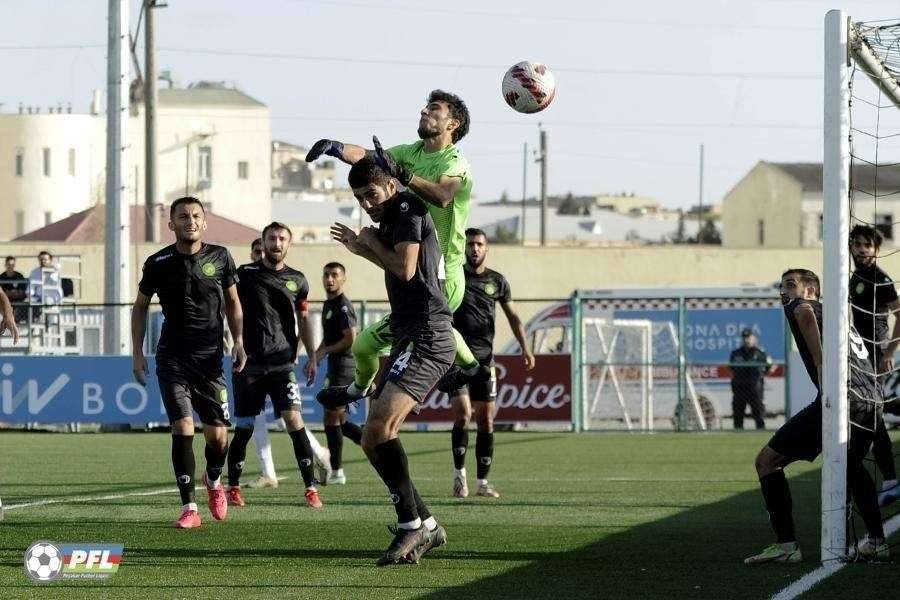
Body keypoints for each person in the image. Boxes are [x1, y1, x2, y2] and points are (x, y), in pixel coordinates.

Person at [306, 89, 485, 407]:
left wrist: (406, 176)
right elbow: (369, 159)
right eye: (425, 107)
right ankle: (470, 369)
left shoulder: (455, 162)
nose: (424, 111)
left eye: (434, 108)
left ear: (453, 123)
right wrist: (335, 147)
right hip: (419, 268)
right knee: (365, 345)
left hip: (444, 273)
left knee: (398, 345)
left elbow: (443, 196)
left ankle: (391, 394)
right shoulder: (411, 151)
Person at [330, 158, 453, 565]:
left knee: (380, 428)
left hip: (428, 334)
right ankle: (427, 524)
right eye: (359, 198)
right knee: (372, 438)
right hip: (409, 335)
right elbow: (401, 266)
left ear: (390, 186)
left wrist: (369, 243)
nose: (366, 204)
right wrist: (362, 248)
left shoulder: (407, 208)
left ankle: (410, 525)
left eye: (371, 194)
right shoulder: (392, 217)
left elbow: (404, 268)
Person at [744, 268, 887, 564]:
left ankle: (786, 547)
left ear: (811, 291)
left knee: (767, 461)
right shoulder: (838, 316)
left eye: (790, 285)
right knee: (851, 467)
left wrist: (822, 367)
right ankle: (877, 541)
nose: (783, 292)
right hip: (872, 399)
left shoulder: (800, 305)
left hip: (842, 397)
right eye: (782, 286)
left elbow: (805, 313)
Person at [131, 197, 247, 529]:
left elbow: (233, 302)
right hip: (172, 358)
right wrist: (137, 352)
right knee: (182, 426)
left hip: (210, 361)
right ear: (171, 224)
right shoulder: (158, 262)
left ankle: (213, 479)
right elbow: (140, 306)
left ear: (204, 223)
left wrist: (239, 341)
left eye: (196, 215)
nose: (190, 221)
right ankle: (189, 508)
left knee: (218, 437)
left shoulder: (221, 257)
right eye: (183, 216)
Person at [225, 223, 325, 509]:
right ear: (264, 242)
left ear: (289, 244)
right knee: (245, 427)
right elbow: (229, 306)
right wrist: (235, 341)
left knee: (294, 421)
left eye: (282, 239)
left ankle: (310, 489)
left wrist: (310, 356)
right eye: (272, 238)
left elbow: (303, 320)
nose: (277, 243)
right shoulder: (245, 274)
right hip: (249, 364)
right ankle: (233, 488)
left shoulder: (298, 280)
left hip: (282, 365)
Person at [443, 228, 535, 499]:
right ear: (464, 247)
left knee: (486, 420)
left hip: (485, 361)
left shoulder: (497, 281)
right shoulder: (454, 277)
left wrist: (525, 348)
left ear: (486, 248)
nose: (474, 249)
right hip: (456, 359)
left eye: (479, 244)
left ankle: (483, 482)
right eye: (470, 244)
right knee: (463, 414)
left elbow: (514, 317)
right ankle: (459, 477)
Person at [848, 225, 900, 506]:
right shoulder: (855, 275)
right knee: (866, 412)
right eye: (857, 244)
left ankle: (890, 479)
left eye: (866, 245)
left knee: (873, 412)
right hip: (859, 352)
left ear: (876, 250)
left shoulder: (880, 278)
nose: (861, 249)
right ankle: (884, 478)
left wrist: (889, 351)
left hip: (875, 351)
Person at [314, 262, 363, 485]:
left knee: (332, 416)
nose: (330, 279)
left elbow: (350, 338)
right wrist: (317, 354)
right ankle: (373, 441)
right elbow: (330, 338)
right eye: (326, 275)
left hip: (345, 366)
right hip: (335, 365)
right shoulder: (329, 304)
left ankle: (337, 472)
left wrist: (325, 351)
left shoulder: (343, 306)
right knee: (338, 420)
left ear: (343, 279)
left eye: (334, 275)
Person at [729, 329, 772, 430]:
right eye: (744, 338)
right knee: (738, 415)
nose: (746, 340)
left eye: (748, 337)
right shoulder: (736, 353)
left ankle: (761, 434)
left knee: (758, 415)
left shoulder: (760, 353)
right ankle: (737, 434)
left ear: (754, 338)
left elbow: (768, 367)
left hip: (754, 388)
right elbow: (731, 368)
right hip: (739, 387)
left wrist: (760, 376)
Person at [29, 250, 62, 322]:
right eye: (41, 259)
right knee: (27, 303)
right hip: (38, 298)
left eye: (45, 259)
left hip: (52, 299)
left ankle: (49, 324)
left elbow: (58, 267)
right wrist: (29, 295)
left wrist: (50, 271)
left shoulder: (55, 271)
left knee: (47, 301)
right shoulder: (34, 272)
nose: (43, 261)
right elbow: (31, 288)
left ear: (50, 260)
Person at [0, 256, 27, 323]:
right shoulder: (1, 277)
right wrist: (8, 294)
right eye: (8, 264)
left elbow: (22, 292)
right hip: (4, 302)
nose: (10, 266)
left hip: (18, 302)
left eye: (12, 264)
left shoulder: (19, 276)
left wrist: (13, 293)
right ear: (5, 265)